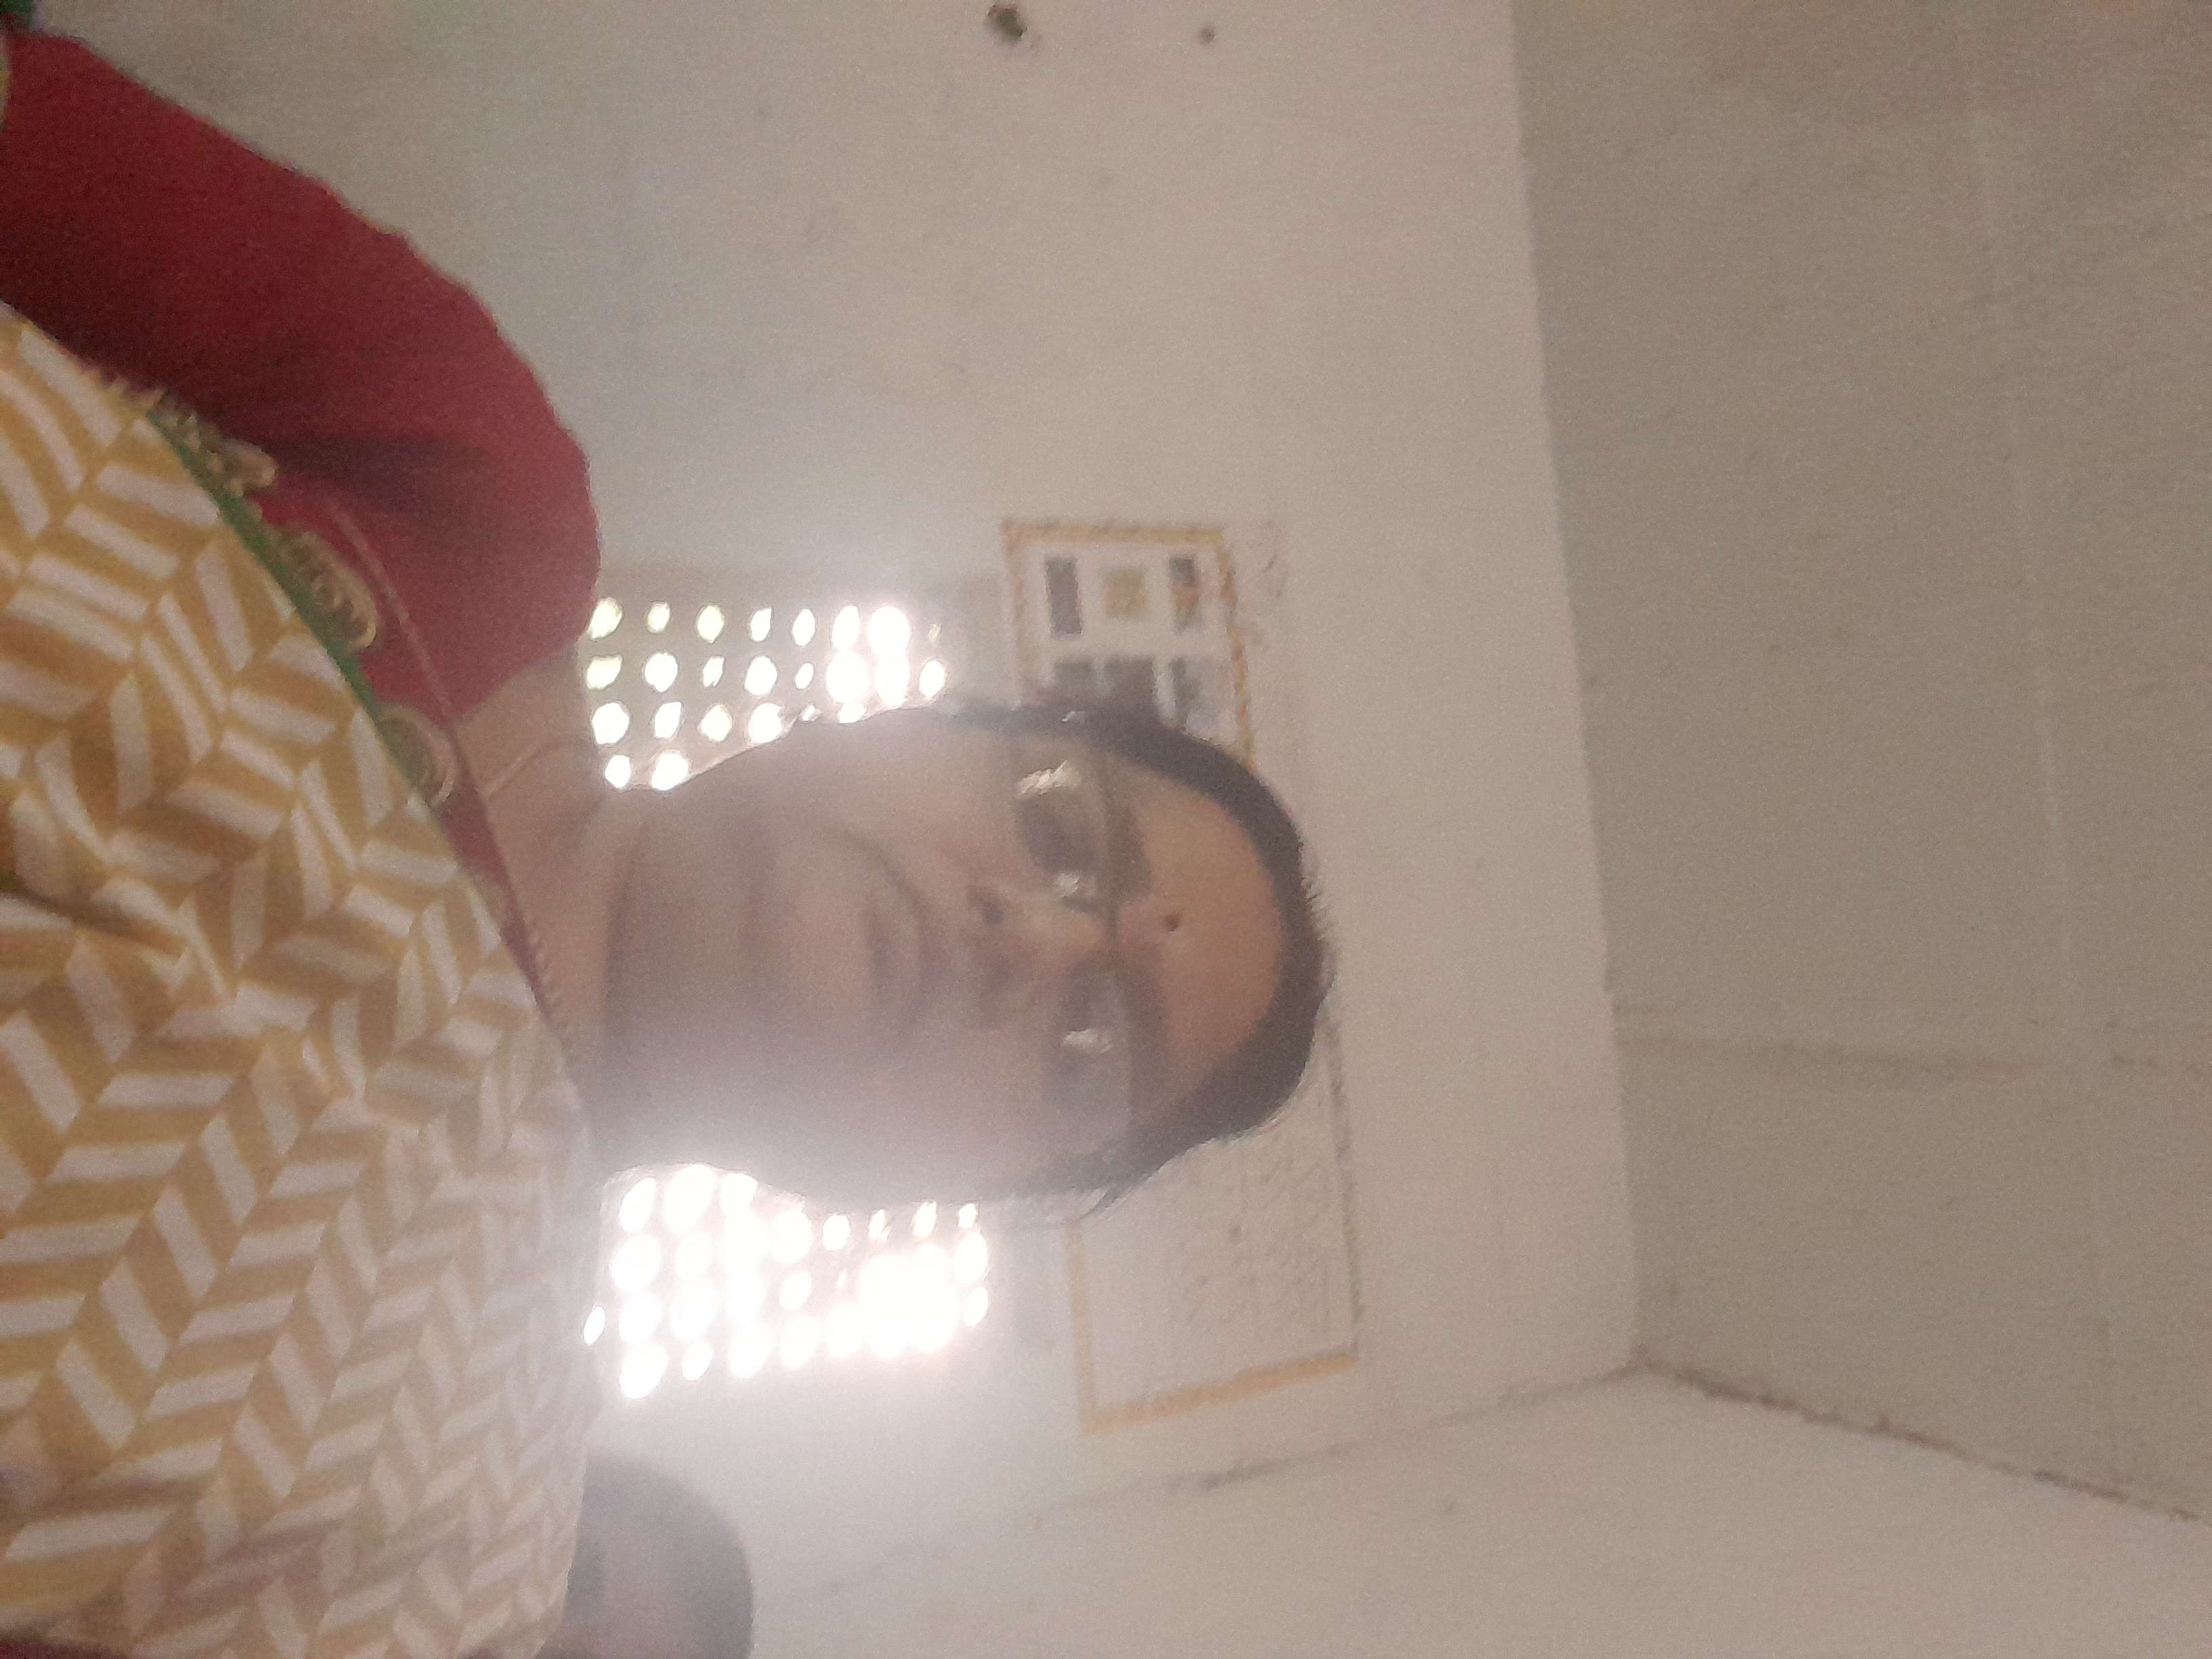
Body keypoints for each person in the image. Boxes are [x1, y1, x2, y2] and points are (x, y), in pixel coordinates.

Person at [0, 21, 1325, 1659]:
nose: (1038, 939)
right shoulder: (467, 479)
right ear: (918, 718)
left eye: (1086, 1048)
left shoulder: (430, 1559)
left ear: (951, 1191)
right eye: (1063, 829)